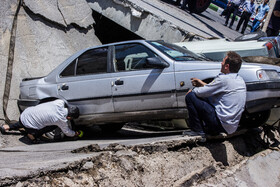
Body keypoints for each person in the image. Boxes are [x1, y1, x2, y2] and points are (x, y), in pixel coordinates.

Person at [184, 51, 246, 137]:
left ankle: (197, 130)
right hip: (231, 127)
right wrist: (202, 84)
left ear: (227, 66)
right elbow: (215, 89)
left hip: (220, 125)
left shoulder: (224, 79)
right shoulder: (240, 80)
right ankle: (208, 129)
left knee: (190, 96)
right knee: (205, 97)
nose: (221, 63)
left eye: (223, 61)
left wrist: (193, 90)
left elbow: (199, 93)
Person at [0, 99, 82, 143]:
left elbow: (63, 100)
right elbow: (67, 132)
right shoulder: (61, 120)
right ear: (69, 117)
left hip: (25, 114)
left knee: (24, 122)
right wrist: (75, 133)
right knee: (52, 126)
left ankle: (6, 127)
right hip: (30, 125)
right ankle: (32, 136)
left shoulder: (59, 103)